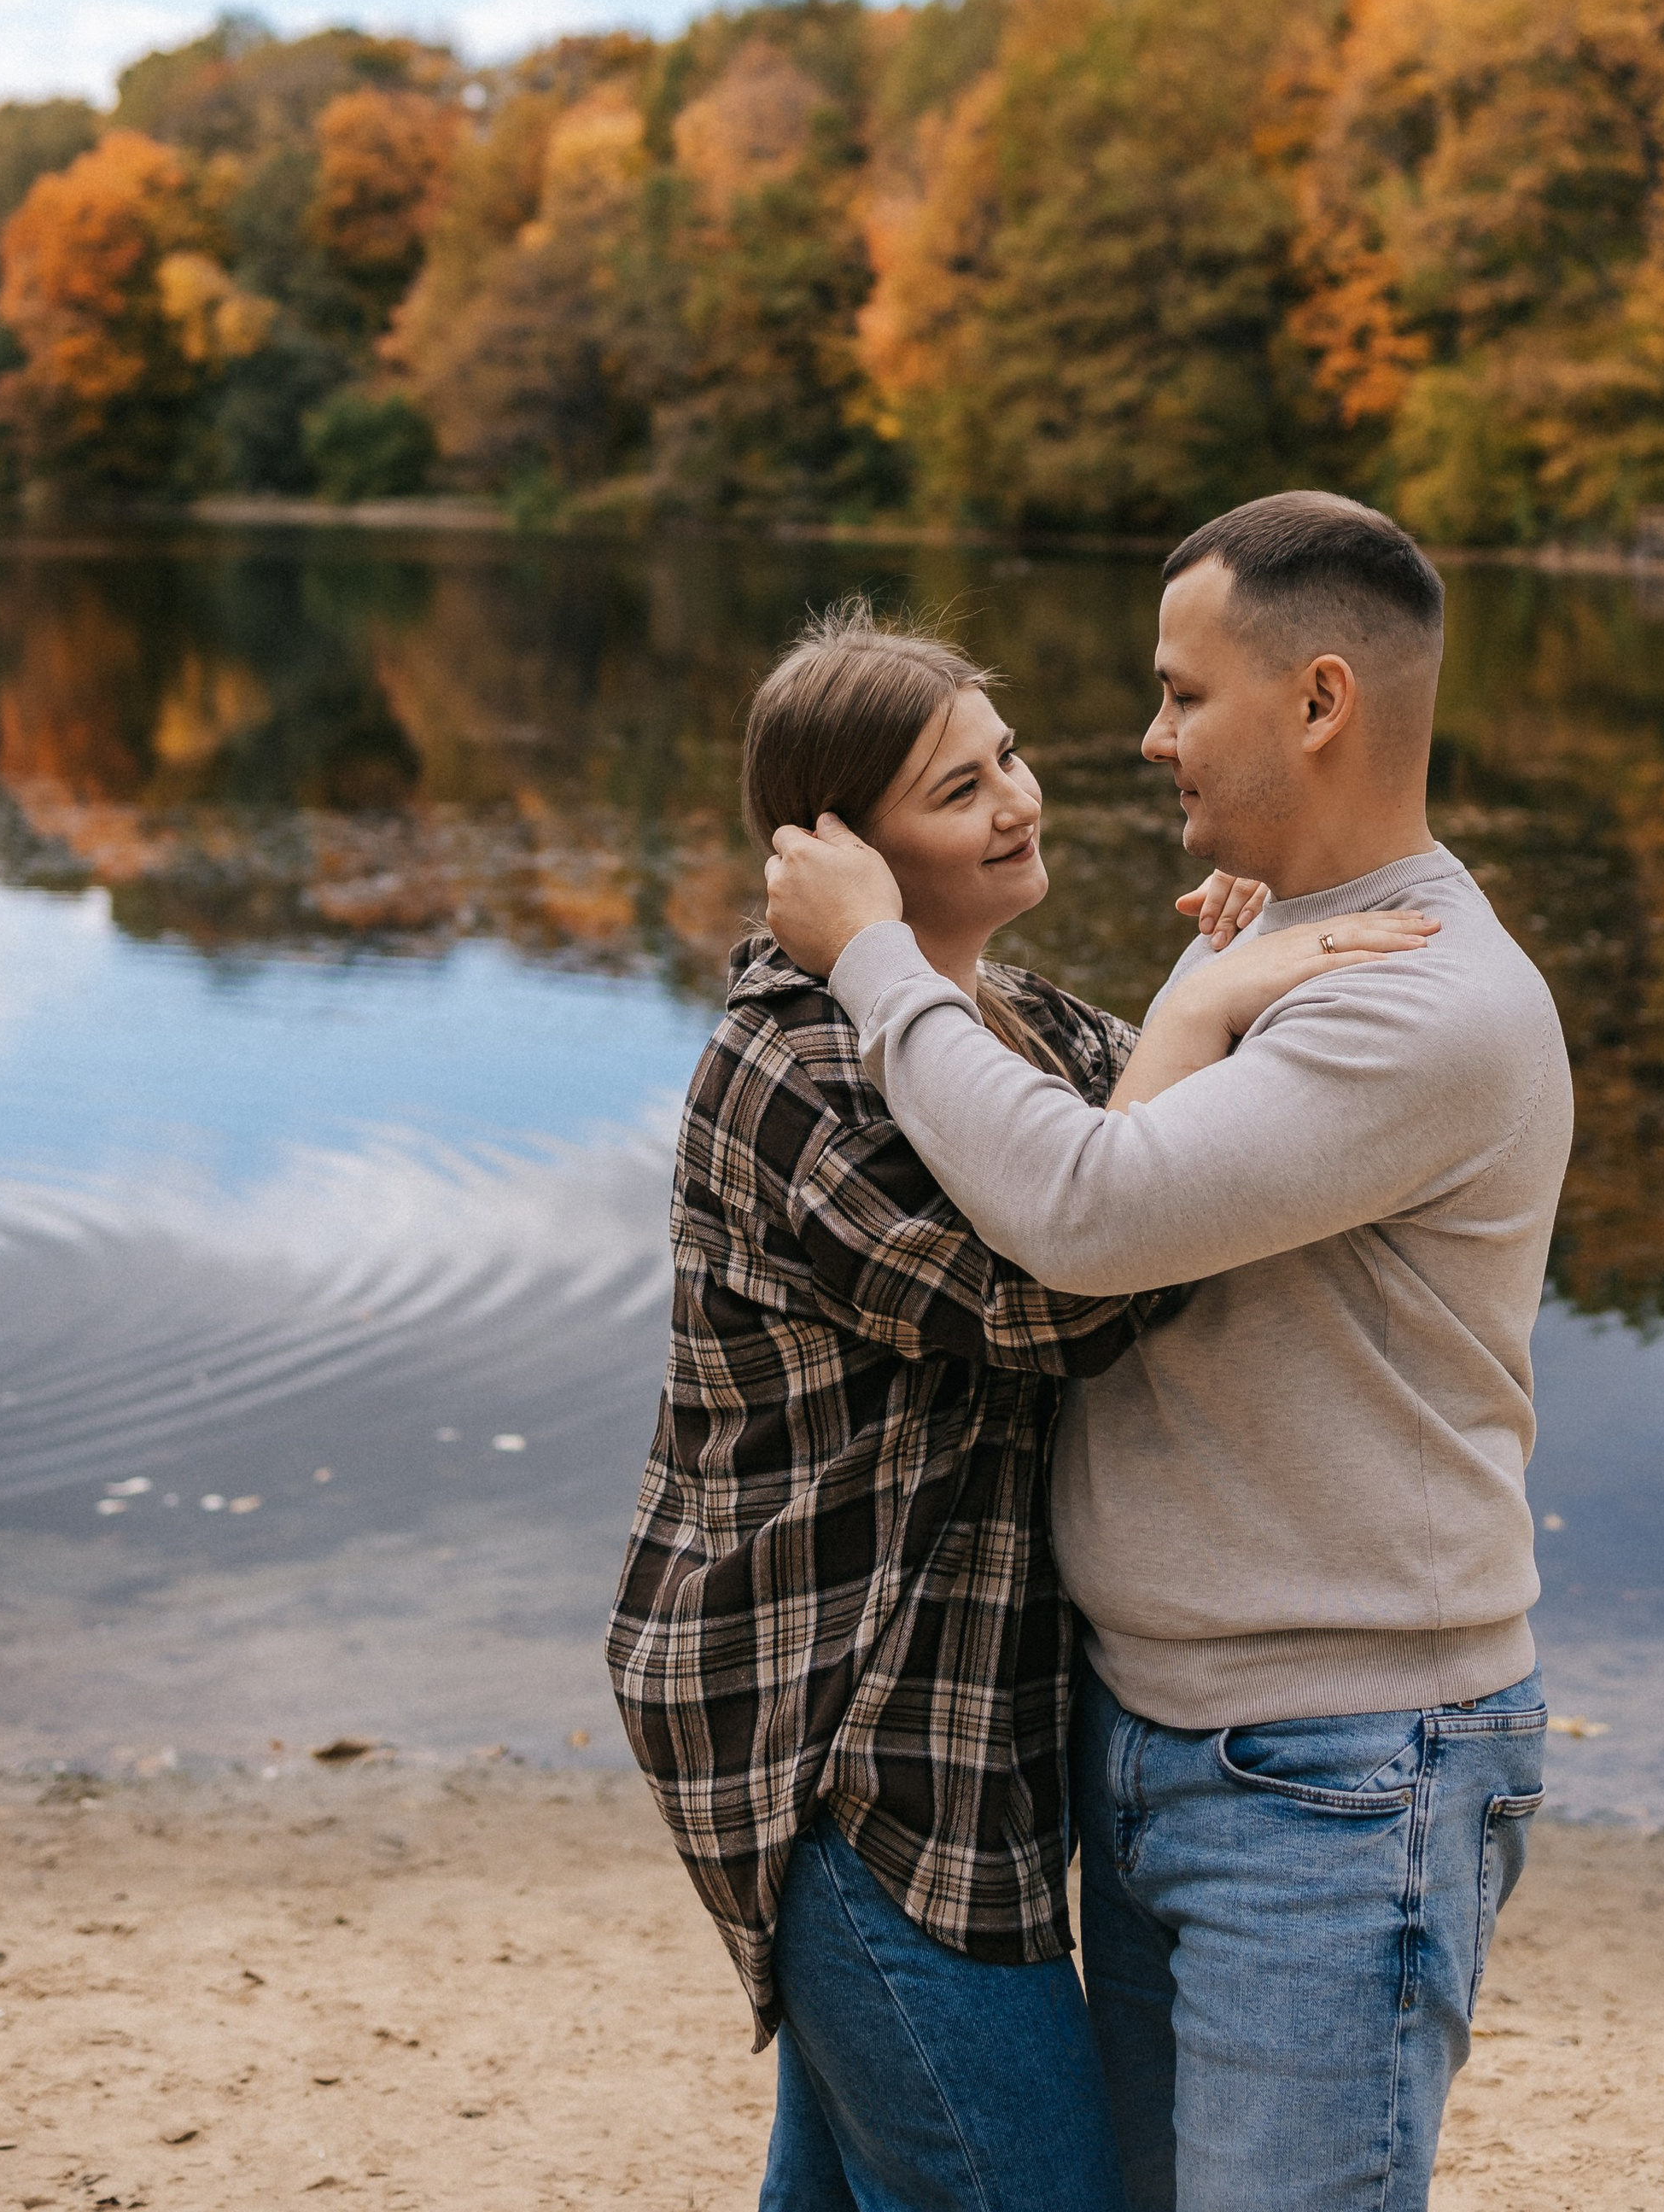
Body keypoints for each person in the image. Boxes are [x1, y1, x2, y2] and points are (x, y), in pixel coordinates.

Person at [764, 495, 1573, 2212]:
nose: (1143, 739)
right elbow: (1112, 1215)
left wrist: (875, 964)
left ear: (1317, 700)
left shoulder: (1411, 998)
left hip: (1337, 1770)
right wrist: (1207, 991)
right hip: (1160, 1738)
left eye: (1180, 693)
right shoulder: (1281, 943)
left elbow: (1078, 1217)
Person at [607, 600, 1428, 2212]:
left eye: (1009, 756)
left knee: (849, 2185)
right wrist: (1204, 1007)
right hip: (841, 1730)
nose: (1020, 797)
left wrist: (1228, 964)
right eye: (959, 789)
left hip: (972, 1723)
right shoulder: (796, 1070)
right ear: (840, 855)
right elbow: (1064, 1287)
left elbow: (1146, 1146)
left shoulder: (1019, 1020)